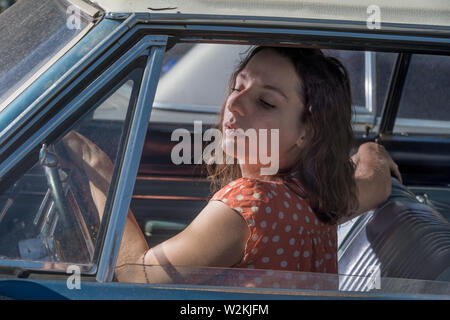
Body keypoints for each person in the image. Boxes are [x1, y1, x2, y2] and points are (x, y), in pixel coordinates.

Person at [60, 46, 401, 285]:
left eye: (265, 102)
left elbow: (140, 276)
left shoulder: (252, 204)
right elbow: (377, 181)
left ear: (306, 132)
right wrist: (373, 150)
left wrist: (97, 168)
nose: (233, 105)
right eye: (238, 87)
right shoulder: (325, 195)